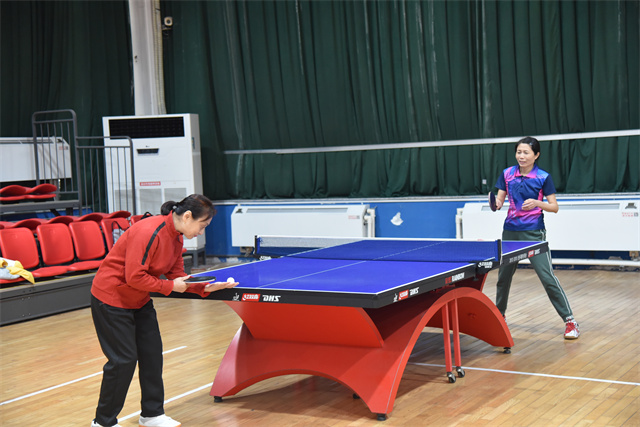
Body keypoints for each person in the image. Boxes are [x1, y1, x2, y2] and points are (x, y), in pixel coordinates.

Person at [90, 194, 238, 427]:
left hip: (139, 300)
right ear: (187, 216)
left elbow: (177, 276)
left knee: (151, 354)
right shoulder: (148, 232)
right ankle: (103, 422)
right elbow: (135, 276)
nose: (201, 232)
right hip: (111, 299)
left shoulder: (176, 237)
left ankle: (151, 414)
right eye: (202, 226)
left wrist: (204, 287)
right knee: (123, 360)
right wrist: (170, 286)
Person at [493, 137, 580, 340]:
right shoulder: (507, 174)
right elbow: (499, 200)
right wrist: (495, 204)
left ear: (536, 155)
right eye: (519, 152)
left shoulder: (543, 177)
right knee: (503, 278)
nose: (521, 156)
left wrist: (537, 203)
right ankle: (499, 316)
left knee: (547, 277)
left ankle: (570, 321)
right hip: (510, 232)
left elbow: (554, 207)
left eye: (526, 152)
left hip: (534, 233)